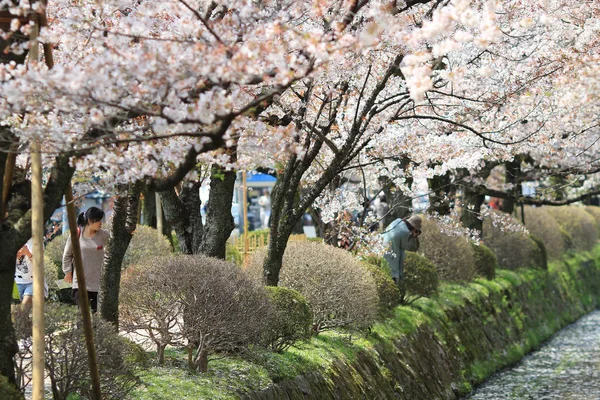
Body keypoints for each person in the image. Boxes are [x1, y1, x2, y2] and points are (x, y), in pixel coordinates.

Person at [62, 207, 109, 313]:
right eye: (98, 220)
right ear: (90, 220)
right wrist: (67, 272)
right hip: (79, 283)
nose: (101, 223)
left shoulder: (103, 235)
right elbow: (67, 255)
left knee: (96, 317)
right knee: (82, 317)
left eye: (101, 220)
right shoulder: (76, 234)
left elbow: (117, 242)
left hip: (98, 284)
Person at [382, 215, 423, 287]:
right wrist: (413, 236)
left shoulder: (397, 220)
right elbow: (404, 246)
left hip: (382, 248)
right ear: (413, 227)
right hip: (392, 256)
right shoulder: (405, 232)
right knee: (391, 279)